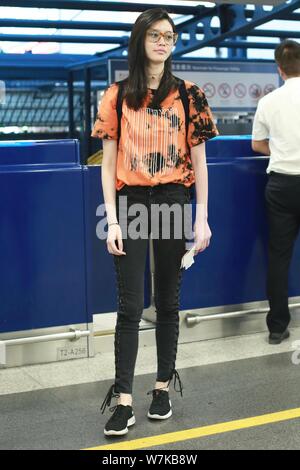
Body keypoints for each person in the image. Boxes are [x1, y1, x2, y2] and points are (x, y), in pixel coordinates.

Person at [91, 7, 218, 437]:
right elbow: (108, 166)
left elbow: (199, 162)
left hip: (172, 197)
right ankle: (124, 400)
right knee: (129, 306)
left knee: (167, 301)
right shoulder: (116, 96)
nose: (163, 42)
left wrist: (201, 218)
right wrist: (111, 220)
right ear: (140, 39)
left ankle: (162, 386)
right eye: (155, 35)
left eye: (170, 36)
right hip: (130, 203)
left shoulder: (189, 95)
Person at [252, 39, 300, 345]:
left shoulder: (268, 101)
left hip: (281, 184)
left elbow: (257, 144)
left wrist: (281, 149)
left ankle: (277, 327)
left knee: (279, 257)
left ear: (279, 69)